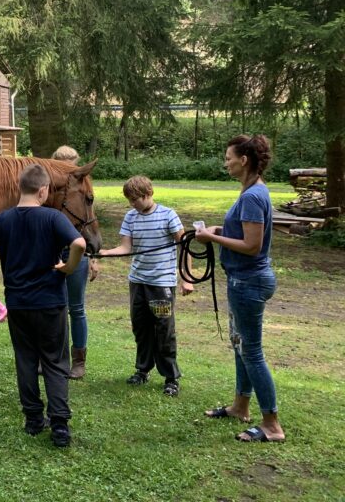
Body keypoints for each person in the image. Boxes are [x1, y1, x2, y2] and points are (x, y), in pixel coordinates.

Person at [0, 163, 86, 448]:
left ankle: (33, 420)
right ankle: (59, 426)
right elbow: (80, 244)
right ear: (44, 190)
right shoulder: (52, 218)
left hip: (18, 305)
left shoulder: (3, 219)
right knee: (55, 362)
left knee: (25, 360)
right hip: (50, 303)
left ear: (20, 189)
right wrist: (69, 268)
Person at [195, 134, 285, 443]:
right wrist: (222, 230)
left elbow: (251, 245)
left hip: (249, 281)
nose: (226, 162)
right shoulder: (250, 191)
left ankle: (272, 425)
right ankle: (240, 406)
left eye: (228, 157)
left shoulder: (251, 196)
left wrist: (213, 239)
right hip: (242, 280)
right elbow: (245, 234)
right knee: (240, 345)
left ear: (243, 160)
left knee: (252, 351)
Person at [98, 175, 193, 396]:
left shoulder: (168, 215)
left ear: (147, 194)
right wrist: (106, 253)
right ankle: (142, 370)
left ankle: (171, 377)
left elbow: (185, 246)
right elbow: (125, 248)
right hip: (138, 282)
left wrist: (186, 278)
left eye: (135, 199)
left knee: (163, 329)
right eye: (129, 200)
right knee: (140, 327)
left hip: (161, 284)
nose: (132, 204)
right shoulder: (131, 217)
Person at [50, 146, 98, 380]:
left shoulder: (83, 187)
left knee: (76, 308)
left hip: (76, 253)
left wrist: (93, 258)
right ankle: (54, 357)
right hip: (51, 253)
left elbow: (90, 221)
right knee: (52, 307)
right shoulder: (48, 191)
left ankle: (79, 361)